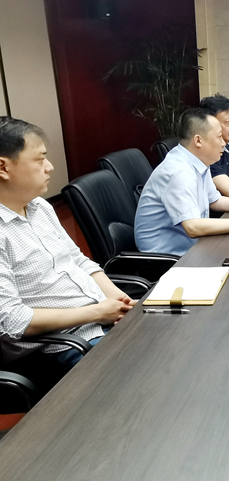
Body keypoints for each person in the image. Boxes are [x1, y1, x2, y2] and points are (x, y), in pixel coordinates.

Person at [0, 118, 134, 366]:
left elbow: (78, 261)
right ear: (3, 167)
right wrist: (98, 312)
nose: (49, 167)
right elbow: (13, 321)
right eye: (40, 160)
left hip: (102, 318)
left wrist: (122, 302)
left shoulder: (40, 207)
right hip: (64, 344)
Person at [135, 108, 229, 256]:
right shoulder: (179, 172)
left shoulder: (198, 160)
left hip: (194, 246)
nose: (224, 143)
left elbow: (214, 200)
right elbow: (193, 227)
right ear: (198, 140)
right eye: (219, 137)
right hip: (167, 258)